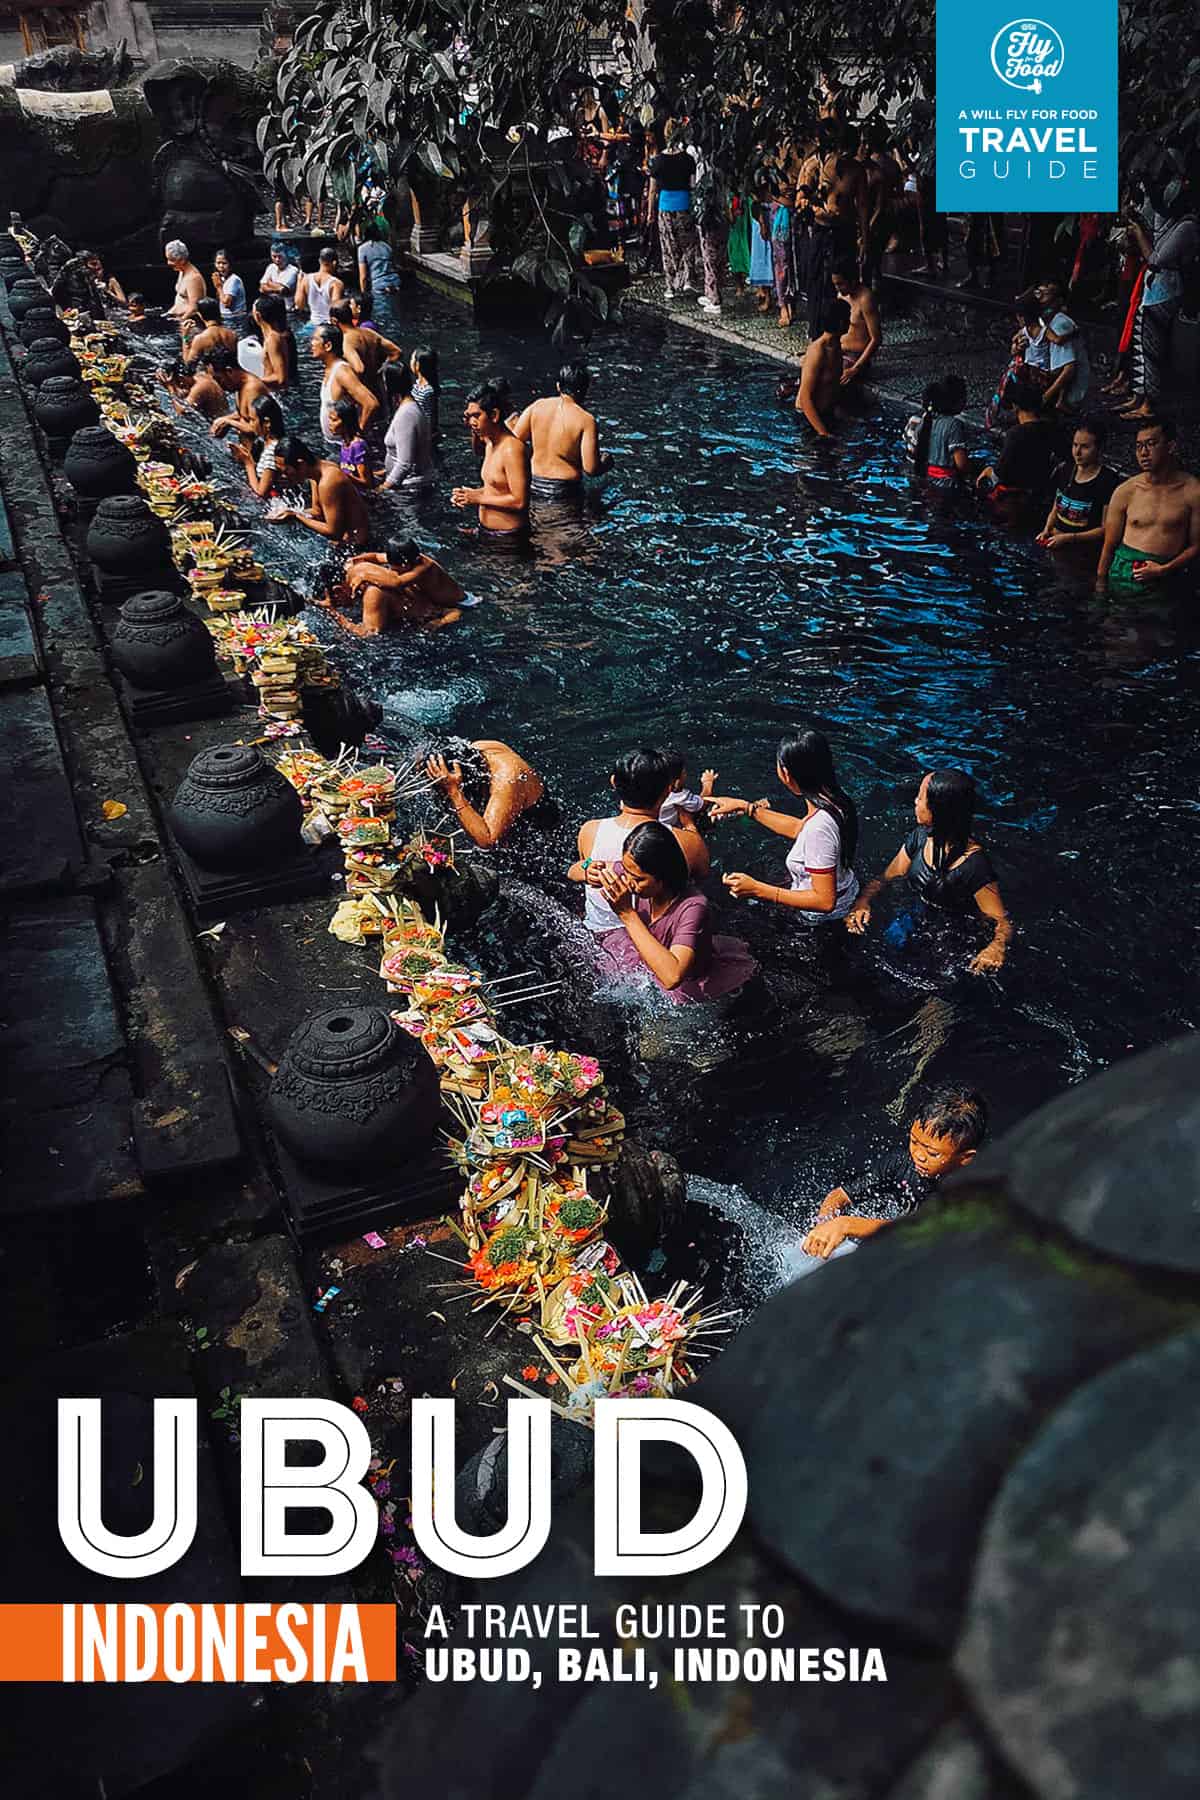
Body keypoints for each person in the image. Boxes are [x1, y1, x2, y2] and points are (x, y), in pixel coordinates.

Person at [795, 1088, 988, 1271]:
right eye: (914, 1141)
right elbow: (840, 1195)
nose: (918, 1155)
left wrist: (847, 1225)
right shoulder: (900, 1163)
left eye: (932, 1153)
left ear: (965, 1158)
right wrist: (823, 1225)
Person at [846, 769, 1012, 973]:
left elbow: (1001, 920)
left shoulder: (975, 866)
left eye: (921, 797)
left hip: (952, 935)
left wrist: (996, 947)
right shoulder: (920, 837)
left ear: (938, 810)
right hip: (915, 915)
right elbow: (885, 878)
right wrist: (863, 901)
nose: (915, 801)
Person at [595, 822, 758, 1003]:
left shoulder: (694, 907)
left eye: (638, 879)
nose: (627, 881)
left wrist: (627, 914)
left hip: (688, 987)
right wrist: (587, 869)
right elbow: (576, 871)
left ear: (663, 876)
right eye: (626, 871)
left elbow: (672, 977)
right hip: (648, 959)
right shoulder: (633, 876)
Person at [708, 730, 859, 922]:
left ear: (786, 773)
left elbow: (824, 901)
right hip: (846, 892)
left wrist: (758, 889)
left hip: (818, 919)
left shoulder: (819, 827)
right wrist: (746, 807)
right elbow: (800, 829)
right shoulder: (837, 800)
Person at [570, 747, 711, 938]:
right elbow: (701, 877)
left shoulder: (590, 830)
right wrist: (690, 825)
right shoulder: (688, 842)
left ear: (613, 782)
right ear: (669, 789)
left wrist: (586, 866)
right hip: (654, 940)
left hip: (595, 932)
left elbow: (585, 865)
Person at [1096, 414, 1200, 596]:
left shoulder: (1192, 491)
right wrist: (1100, 586)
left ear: (1170, 446)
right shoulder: (1126, 491)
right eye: (1138, 446)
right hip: (1122, 574)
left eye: (1151, 444)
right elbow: (1108, 545)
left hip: (1164, 577)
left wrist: (1164, 569)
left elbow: (1196, 546)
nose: (1143, 453)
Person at [1120, 196, 1199, 418]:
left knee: (1152, 350)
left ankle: (1149, 404)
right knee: (1140, 345)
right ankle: (1138, 397)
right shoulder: (1174, 223)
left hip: (1165, 292)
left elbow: (1155, 260)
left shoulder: (1187, 227)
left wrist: (1138, 234)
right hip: (1154, 291)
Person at [510, 361, 605, 503]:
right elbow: (591, 468)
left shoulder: (537, 406)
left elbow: (515, 441)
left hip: (534, 485)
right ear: (585, 389)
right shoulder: (586, 420)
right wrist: (605, 463)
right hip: (564, 491)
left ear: (558, 386)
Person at [426, 740, 552, 846]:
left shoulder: (507, 779)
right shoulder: (476, 751)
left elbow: (488, 840)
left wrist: (453, 791)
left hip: (539, 836)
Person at [452, 379, 530, 544]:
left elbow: (519, 501)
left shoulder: (512, 449)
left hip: (508, 539)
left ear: (494, 415)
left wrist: (477, 499)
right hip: (486, 531)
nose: (472, 422)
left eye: (477, 416)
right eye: (469, 416)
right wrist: (468, 495)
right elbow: (497, 490)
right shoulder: (490, 444)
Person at [331, 540, 468, 633]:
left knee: (446, 617)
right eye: (392, 566)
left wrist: (364, 576)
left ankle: (441, 621)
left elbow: (397, 582)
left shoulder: (423, 567)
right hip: (433, 600)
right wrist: (359, 559)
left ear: (411, 562)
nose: (394, 571)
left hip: (461, 603)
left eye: (399, 569)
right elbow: (378, 557)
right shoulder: (404, 557)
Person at [975, 383, 1058, 525]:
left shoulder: (1015, 434)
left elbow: (1000, 473)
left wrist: (988, 471)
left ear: (1015, 407)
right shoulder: (1051, 430)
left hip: (1012, 501)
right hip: (1037, 494)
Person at [1037, 419, 1123, 554]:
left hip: (1083, 549)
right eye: (1075, 445)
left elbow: (1105, 529)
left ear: (1099, 448)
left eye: (1085, 447)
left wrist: (1069, 538)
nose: (1077, 452)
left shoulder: (1107, 480)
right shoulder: (1064, 470)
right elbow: (1056, 507)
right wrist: (1047, 529)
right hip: (1056, 540)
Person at [271, 436, 370, 546]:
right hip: (343, 543)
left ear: (301, 464)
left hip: (357, 546)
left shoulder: (328, 482)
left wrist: (296, 516)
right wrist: (285, 512)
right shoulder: (316, 474)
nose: (284, 476)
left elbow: (334, 532)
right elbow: (317, 512)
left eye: (286, 471)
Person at [648, 121, 700, 301]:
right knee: (688, 244)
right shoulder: (688, 159)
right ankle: (687, 278)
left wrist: (649, 213)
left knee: (668, 247)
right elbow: (693, 185)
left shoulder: (657, 161)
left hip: (665, 205)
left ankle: (670, 285)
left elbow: (652, 190)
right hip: (684, 204)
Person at [312, 321, 381, 443]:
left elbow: (371, 403)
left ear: (328, 346)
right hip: (333, 443)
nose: (311, 343)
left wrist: (356, 436)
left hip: (343, 446)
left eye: (315, 339)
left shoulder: (342, 373)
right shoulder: (329, 369)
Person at [795, 298, 850, 436]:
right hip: (809, 417)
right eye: (848, 318)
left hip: (826, 413)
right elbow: (805, 398)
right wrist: (823, 433)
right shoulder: (817, 351)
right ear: (842, 322)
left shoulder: (836, 346)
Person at [1036, 279, 1091, 413]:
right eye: (1039, 293)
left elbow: (1069, 369)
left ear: (1058, 302)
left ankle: (1060, 401)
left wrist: (1045, 396)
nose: (1040, 297)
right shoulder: (1045, 321)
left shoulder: (1060, 324)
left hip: (1071, 394)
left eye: (1046, 294)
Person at [909, 374, 970, 489]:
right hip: (947, 486)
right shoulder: (954, 425)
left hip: (927, 481)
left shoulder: (925, 420)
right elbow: (962, 465)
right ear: (956, 401)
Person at [380, 361, 434, 490]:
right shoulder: (409, 408)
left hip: (410, 488)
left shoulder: (406, 414)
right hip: (406, 483)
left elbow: (405, 463)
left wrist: (382, 488)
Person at [330, 297, 403, 390]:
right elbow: (397, 352)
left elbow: (359, 369)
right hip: (378, 386)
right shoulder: (369, 332)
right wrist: (380, 371)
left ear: (334, 321)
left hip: (364, 391)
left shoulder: (347, 342)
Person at [831, 262, 882, 387]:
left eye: (840, 284)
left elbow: (876, 339)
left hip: (855, 357)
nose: (837, 288)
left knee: (832, 380)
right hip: (839, 350)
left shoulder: (866, 299)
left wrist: (856, 368)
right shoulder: (842, 295)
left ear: (853, 281)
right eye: (835, 284)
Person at [230, 394, 286, 498]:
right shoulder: (265, 443)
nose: (250, 425)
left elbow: (260, 492)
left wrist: (248, 463)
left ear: (267, 423)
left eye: (252, 420)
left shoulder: (272, 452)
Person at [207, 352, 269, 438]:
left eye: (219, 379)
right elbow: (245, 414)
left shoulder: (253, 389)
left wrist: (229, 422)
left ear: (229, 371)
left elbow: (257, 431)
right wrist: (223, 421)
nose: (219, 385)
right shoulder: (239, 386)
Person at [250, 294, 297, 389]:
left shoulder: (273, 339)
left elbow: (281, 378)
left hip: (279, 394)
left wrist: (251, 381)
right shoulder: (276, 335)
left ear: (258, 315)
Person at [329, 397, 375, 488]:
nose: (330, 424)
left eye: (334, 420)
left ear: (346, 422)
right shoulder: (345, 442)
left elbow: (367, 483)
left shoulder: (357, 446)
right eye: (329, 419)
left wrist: (340, 474)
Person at [659, 754, 715, 828]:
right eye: (684, 773)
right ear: (677, 782)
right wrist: (708, 782)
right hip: (670, 831)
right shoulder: (680, 796)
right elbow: (703, 803)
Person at [181, 298, 238, 365]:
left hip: (213, 374)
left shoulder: (200, 339)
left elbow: (188, 363)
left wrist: (185, 336)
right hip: (230, 372)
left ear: (200, 315)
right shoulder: (232, 334)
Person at [297, 246, 344, 324]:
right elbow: (336, 310)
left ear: (319, 261)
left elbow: (299, 305)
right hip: (328, 326)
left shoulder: (306, 279)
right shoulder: (336, 284)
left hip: (312, 324)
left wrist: (299, 282)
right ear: (334, 263)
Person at [164, 239, 205, 324]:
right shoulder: (181, 271)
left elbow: (194, 308)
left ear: (182, 260)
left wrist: (181, 320)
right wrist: (168, 314)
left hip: (190, 322)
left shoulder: (193, 278)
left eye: (171, 260)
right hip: (178, 317)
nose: (168, 263)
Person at [358, 225, 400, 303]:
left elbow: (363, 277)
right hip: (395, 281)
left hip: (379, 284)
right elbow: (394, 266)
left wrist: (364, 295)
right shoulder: (387, 246)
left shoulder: (362, 249)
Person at [211, 248, 247, 329]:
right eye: (218, 263)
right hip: (225, 318)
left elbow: (226, 303)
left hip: (235, 320)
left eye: (224, 263)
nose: (221, 266)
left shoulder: (234, 280)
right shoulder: (223, 279)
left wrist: (218, 286)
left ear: (230, 264)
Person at [411, 347, 440, 438]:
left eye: (412, 359)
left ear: (418, 365)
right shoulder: (416, 385)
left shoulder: (427, 391)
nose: (410, 361)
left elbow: (429, 419)